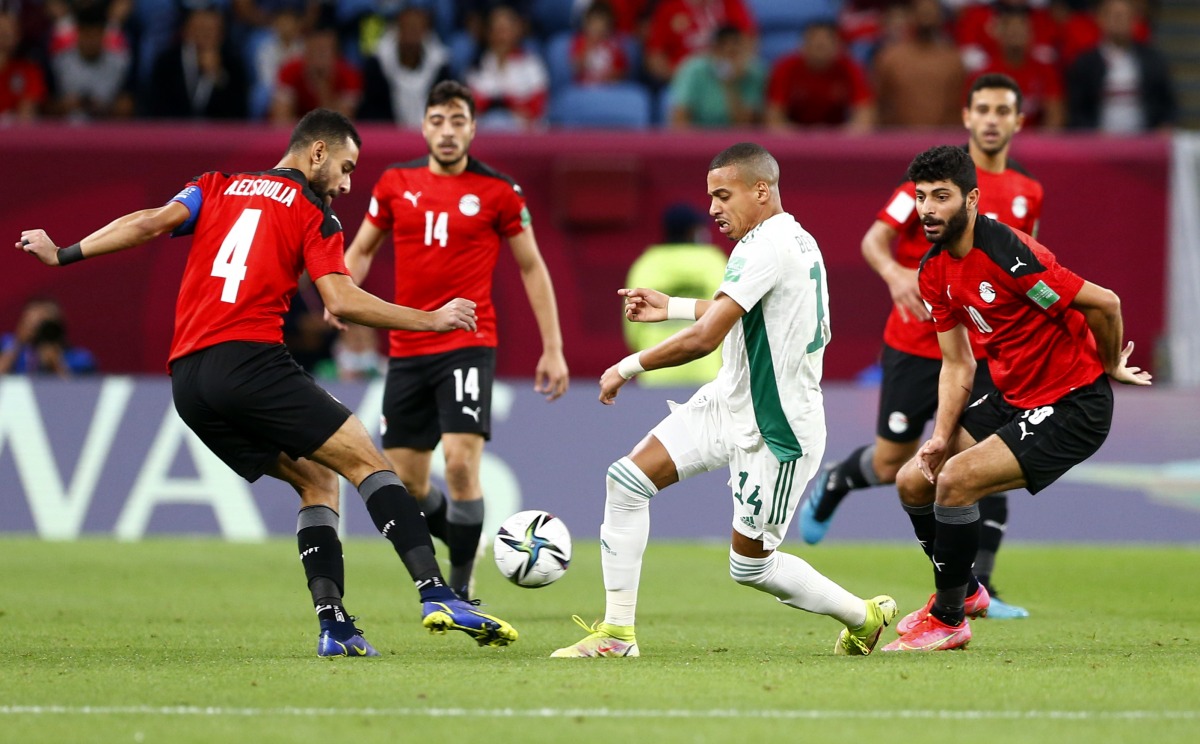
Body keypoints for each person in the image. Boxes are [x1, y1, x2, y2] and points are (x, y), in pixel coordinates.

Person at [16, 108, 518, 657]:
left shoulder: (216, 185)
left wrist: (64, 253)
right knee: (367, 461)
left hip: (188, 381)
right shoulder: (313, 213)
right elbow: (341, 301)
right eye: (346, 168)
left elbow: (151, 222)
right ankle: (436, 592)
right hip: (250, 361)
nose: (348, 184)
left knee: (316, 482)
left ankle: (335, 626)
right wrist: (432, 318)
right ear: (317, 153)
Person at [551, 142, 897, 659]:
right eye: (710, 196)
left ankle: (862, 616)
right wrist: (672, 306)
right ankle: (617, 635)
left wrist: (626, 367)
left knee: (750, 567)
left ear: (761, 190)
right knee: (625, 480)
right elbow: (741, 310)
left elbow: (706, 339)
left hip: (777, 429)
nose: (712, 207)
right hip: (729, 401)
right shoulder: (786, 238)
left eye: (722, 194)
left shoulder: (766, 246)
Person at [881, 144, 1150, 651]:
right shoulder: (933, 270)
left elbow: (1105, 303)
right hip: (1013, 394)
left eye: (942, 196)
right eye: (921, 198)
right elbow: (958, 363)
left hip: (1073, 403)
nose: (928, 209)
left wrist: (1111, 363)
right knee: (914, 480)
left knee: (956, 483)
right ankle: (970, 591)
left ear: (972, 199)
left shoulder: (1008, 254)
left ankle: (949, 617)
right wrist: (940, 437)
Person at [799, 74, 1043, 619]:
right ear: (967, 116)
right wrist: (894, 273)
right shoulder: (936, 180)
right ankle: (838, 480)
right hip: (915, 341)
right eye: (983, 109)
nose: (992, 120)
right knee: (892, 464)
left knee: (983, 455)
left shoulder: (1028, 193)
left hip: (982, 348)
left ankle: (981, 588)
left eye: (1003, 110)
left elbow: (1024, 263)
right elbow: (873, 240)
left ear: (1018, 121)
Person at [340, 81, 569, 601]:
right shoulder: (395, 183)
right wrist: (340, 296)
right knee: (409, 484)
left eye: (458, 121)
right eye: (438, 121)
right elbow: (360, 251)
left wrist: (552, 346)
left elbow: (532, 267)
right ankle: (468, 541)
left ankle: (461, 587)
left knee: (462, 464)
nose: (447, 131)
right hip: (407, 346)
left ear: (472, 127)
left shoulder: (499, 191)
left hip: (467, 343)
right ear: (423, 126)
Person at [622, 203, 727, 386]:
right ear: (692, 231)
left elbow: (633, 327)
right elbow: (729, 316)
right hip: (707, 374)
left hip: (656, 373)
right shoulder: (714, 261)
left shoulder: (646, 265)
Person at [1066, 0, 1175, 134]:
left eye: (1125, 16)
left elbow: (1168, 103)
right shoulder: (1086, 63)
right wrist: (1092, 133)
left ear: (1134, 20)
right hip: (1098, 146)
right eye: (1115, 16)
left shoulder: (1152, 61)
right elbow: (1077, 110)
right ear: (1101, 19)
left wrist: (1165, 125)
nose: (1119, 21)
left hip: (1144, 143)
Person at [764, 20, 875, 132]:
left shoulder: (851, 68)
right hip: (794, 136)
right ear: (803, 45)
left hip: (837, 137)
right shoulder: (785, 67)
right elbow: (774, 118)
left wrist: (837, 136)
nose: (820, 49)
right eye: (816, 44)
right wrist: (802, 137)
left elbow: (864, 116)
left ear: (838, 46)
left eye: (825, 44)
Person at [872, 0, 964, 128]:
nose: (926, 14)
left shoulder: (953, 60)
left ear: (940, 16)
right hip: (898, 142)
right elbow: (877, 105)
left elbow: (958, 107)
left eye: (930, 10)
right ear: (911, 16)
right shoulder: (890, 58)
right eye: (921, 10)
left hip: (943, 141)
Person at [146, 6, 248, 120]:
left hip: (217, 135)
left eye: (211, 30)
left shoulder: (232, 64)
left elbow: (238, 114)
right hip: (174, 133)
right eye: (200, 28)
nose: (205, 35)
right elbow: (156, 107)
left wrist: (218, 76)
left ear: (222, 34)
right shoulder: (167, 62)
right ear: (185, 30)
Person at [359, 4, 453, 127]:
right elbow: (373, 109)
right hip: (388, 136)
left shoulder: (440, 66)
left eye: (416, 28)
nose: (412, 33)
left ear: (425, 32)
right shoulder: (377, 64)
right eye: (407, 27)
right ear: (398, 29)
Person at [668, 24, 764, 129]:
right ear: (713, 50)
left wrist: (729, 84)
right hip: (698, 139)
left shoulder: (754, 73)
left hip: (736, 140)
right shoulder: (693, 70)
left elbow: (745, 125)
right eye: (725, 51)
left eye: (735, 52)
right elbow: (679, 121)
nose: (730, 58)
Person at [0, 296, 96, 376]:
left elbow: (79, 393)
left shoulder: (80, 359)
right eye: (31, 322)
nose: (38, 329)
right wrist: (17, 343)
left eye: (44, 323)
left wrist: (56, 365)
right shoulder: (6, 345)